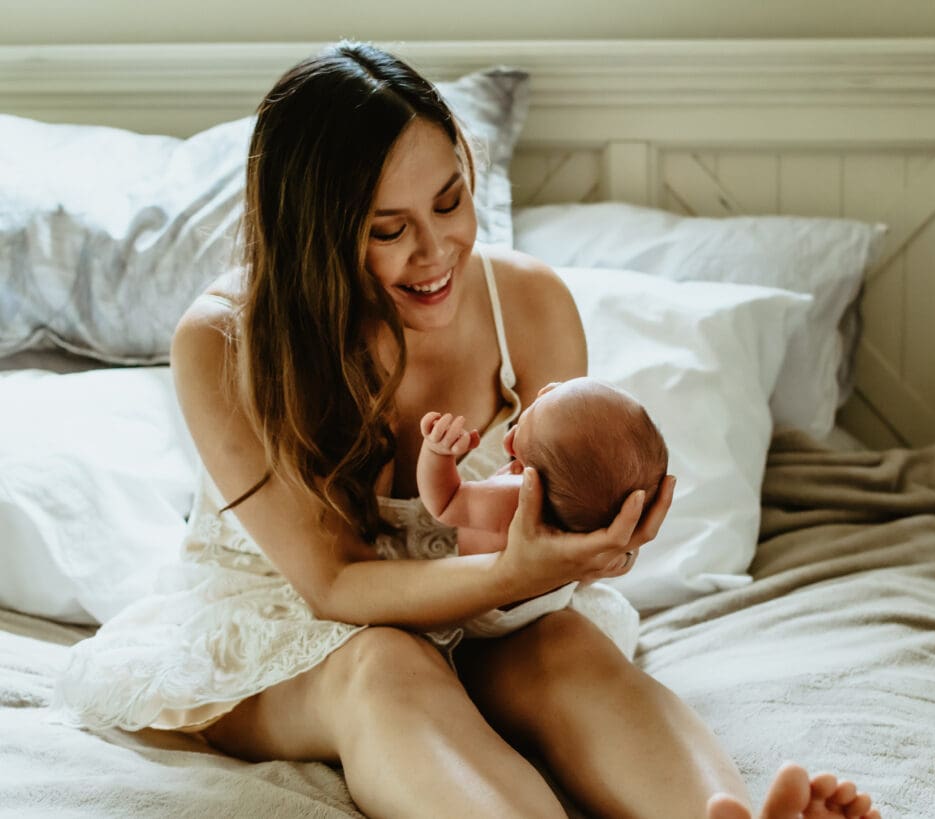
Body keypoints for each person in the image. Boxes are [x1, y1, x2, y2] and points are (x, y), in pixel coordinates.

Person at [51, 40, 881, 819]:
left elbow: (549, 521)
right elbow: (335, 585)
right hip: (298, 627)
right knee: (383, 662)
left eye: (450, 201)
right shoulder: (227, 342)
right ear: (315, 238)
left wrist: (597, 535)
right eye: (388, 229)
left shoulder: (529, 305)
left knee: (566, 647)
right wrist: (516, 568)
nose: (436, 249)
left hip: (498, 614)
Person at [416, 377, 665, 654]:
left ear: (513, 446)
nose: (547, 387)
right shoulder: (583, 510)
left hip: (485, 617)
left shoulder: (513, 498)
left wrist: (436, 453)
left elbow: (445, 503)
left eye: (532, 410)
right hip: (546, 607)